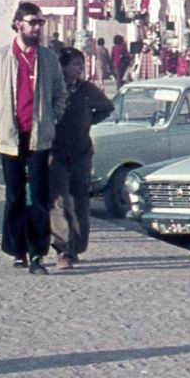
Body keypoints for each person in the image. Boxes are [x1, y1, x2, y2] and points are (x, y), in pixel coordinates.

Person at [0, 2, 68, 275]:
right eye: (33, 22)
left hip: (39, 136)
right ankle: (17, 249)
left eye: (40, 23)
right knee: (14, 195)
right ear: (18, 23)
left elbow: (60, 93)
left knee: (39, 197)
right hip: (10, 135)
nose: (37, 27)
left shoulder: (47, 58)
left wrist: (51, 119)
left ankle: (37, 254)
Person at [48, 47, 113, 270]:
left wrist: (89, 120)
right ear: (63, 66)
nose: (79, 69)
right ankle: (62, 249)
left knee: (79, 201)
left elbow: (107, 107)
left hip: (81, 152)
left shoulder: (87, 90)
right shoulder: (53, 89)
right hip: (55, 151)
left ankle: (76, 246)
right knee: (58, 202)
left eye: (81, 65)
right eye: (75, 64)